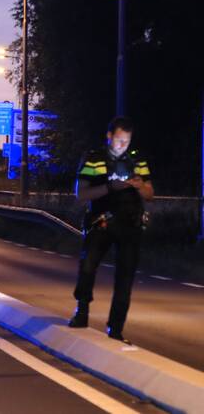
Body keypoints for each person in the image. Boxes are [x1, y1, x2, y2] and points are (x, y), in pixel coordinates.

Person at [68, 116, 153, 342]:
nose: (122, 145)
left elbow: (150, 194)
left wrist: (140, 186)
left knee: (125, 277)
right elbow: (82, 194)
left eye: (126, 141)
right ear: (109, 136)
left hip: (131, 224)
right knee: (87, 266)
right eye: (118, 140)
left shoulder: (137, 160)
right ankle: (82, 311)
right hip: (102, 221)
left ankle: (116, 329)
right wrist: (109, 187)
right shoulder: (94, 159)